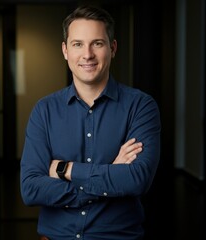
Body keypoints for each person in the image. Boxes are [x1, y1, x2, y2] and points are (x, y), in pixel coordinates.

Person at [20, 4, 161, 240]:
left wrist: (65, 169)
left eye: (97, 43)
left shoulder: (141, 107)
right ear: (65, 50)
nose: (87, 54)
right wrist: (112, 176)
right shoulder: (44, 110)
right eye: (77, 44)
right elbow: (31, 189)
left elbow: (137, 180)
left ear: (112, 48)